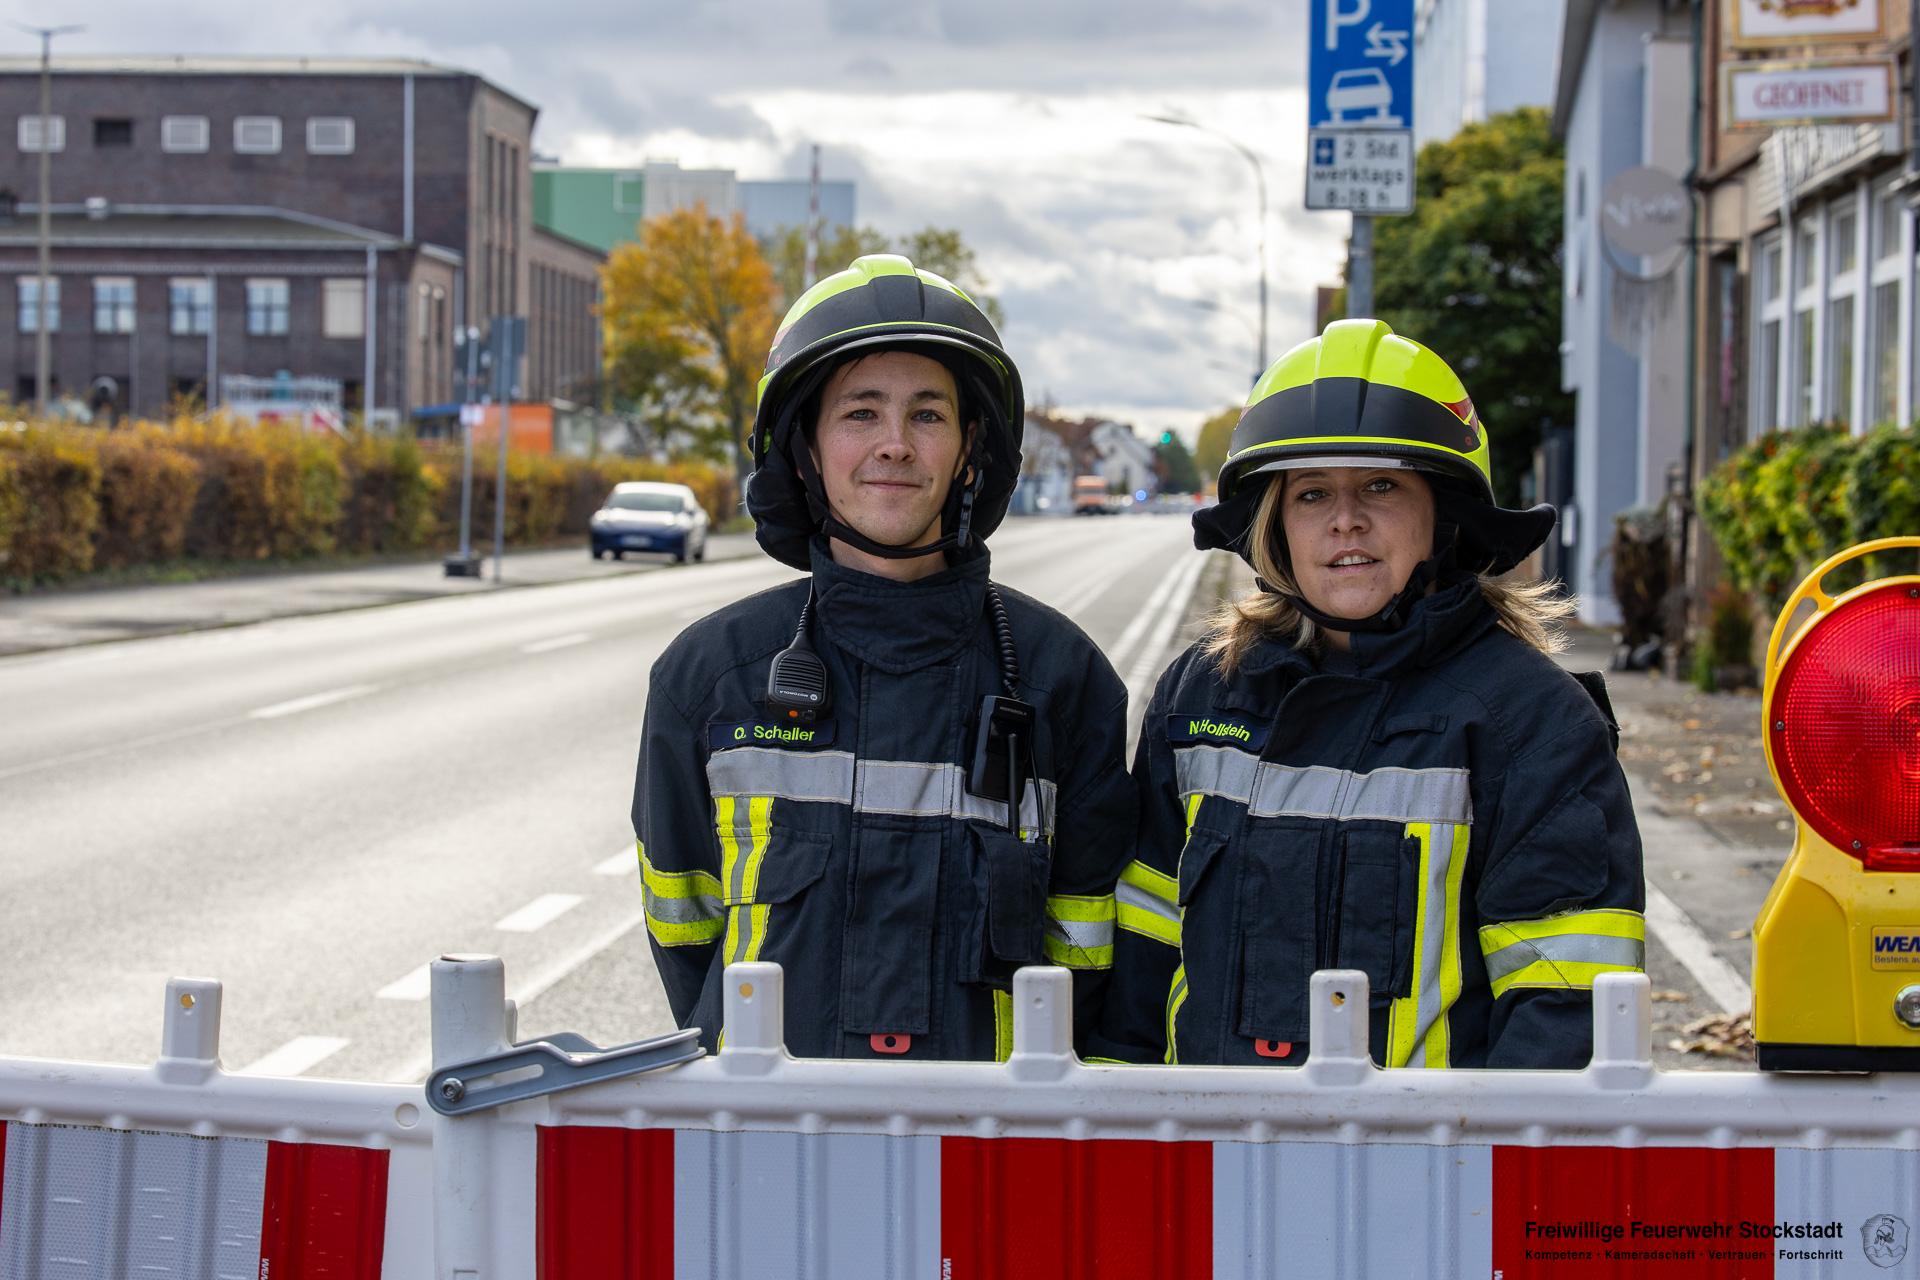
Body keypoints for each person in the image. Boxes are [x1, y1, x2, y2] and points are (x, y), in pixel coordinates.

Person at [632, 254, 1134, 1061]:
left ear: (972, 447)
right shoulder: (710, 680)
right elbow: (685, 933)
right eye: (861, 413)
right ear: (804, 447)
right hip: (771, 1146)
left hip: (989, 1156)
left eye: (928, 415)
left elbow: (1094, 957)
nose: (895, 445)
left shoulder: (1061, 680)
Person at [1105, 319, 1645, 1068]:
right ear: (1275, 525)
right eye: (1312, 492)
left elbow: (1564, 1021)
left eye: (1381, 485)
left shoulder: (1533, 724)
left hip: (1425, 1176)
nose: (1345, 520)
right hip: (1209, 1167)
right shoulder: (1202, 695)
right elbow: (1139, 957)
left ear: (1444, 514)